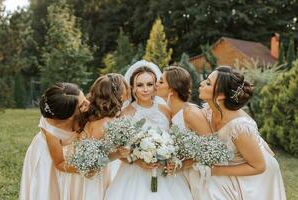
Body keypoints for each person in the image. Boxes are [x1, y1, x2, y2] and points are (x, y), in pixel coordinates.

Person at [196, 65, 286, 200]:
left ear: (220, 95)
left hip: (258, 175)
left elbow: (259, 166)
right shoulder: (210, 109)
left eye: (208, 83)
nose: (201, 84)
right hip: (238, 162)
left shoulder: (239, 127)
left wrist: (215, 170)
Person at [105, 65, 193, 200]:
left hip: (164, 172)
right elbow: (119, 152)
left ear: (155, 86)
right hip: (135, 172)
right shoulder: (125, 114)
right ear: (133, 88)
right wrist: (138, 161)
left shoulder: (166, 110)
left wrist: (168, 156)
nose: (145, 89)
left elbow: (174, 139)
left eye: (150, 84)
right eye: (140, 85)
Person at [52, 74, 130, 200]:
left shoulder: (89, 115)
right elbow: (96, 160)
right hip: (92, 177)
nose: (125, 98)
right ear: (119, 97)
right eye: (124, 95)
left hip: (79, 172)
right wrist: (118, 154)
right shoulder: (105, 123)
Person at [19, 83, 89, 200]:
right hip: (48, 158)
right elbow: (60, 163)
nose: (88, 103)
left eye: (84, 98)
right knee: (49, 190)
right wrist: (85, 168)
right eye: (82, 105)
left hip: (68, 154)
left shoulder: (75, 106)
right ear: (69, 115)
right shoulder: (52, 131)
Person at [156, 66, 212, 199]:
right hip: (177, 177)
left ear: (172, 89)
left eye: (161, 81)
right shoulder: (166, 112)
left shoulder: (190, 113)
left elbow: (211, 147)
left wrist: (183, 164)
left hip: (197, 177)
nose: (156, 84)